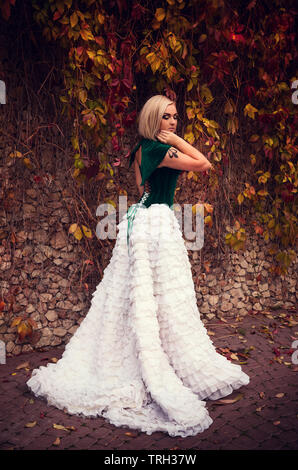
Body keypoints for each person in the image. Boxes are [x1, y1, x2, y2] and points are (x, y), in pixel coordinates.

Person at [27, 95, 249, 438]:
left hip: (141, 220)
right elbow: (203, 163)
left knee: (144, 294)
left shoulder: (139, 150)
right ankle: (154, 361)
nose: (173, 123)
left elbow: (140, 188)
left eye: (175, 118)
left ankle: (150, 350)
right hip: (157, 223)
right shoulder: (161, 150)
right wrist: (176, 141)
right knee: (160, 294)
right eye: (166, 118)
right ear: (153, 120)